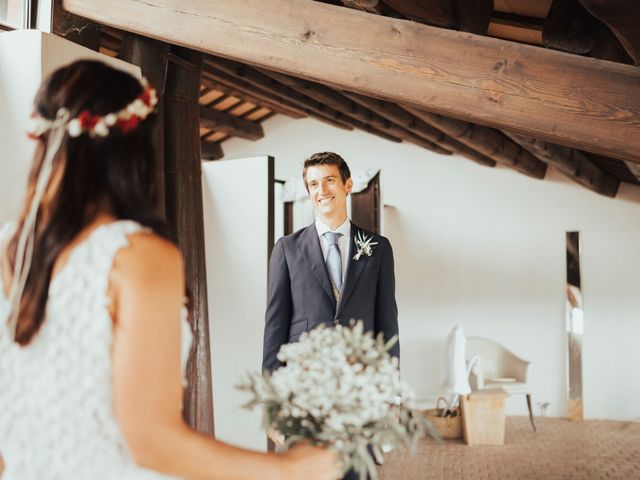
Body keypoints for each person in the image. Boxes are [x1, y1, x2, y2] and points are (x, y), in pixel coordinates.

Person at [0, 60, 340, 480]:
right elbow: (151, 442)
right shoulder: (134, 254)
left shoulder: (9, 249)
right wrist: (290, 469)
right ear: (135, 147)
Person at [262, 151, 399, 372]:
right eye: (314, 184)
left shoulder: (379, 248)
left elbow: (388, 324)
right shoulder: (287, 249)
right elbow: (275, 325)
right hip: (305, 374)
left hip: (361, 375)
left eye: (330, 180)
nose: (322, 190)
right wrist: (270, 392)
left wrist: (392, 390)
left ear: (348, 185)